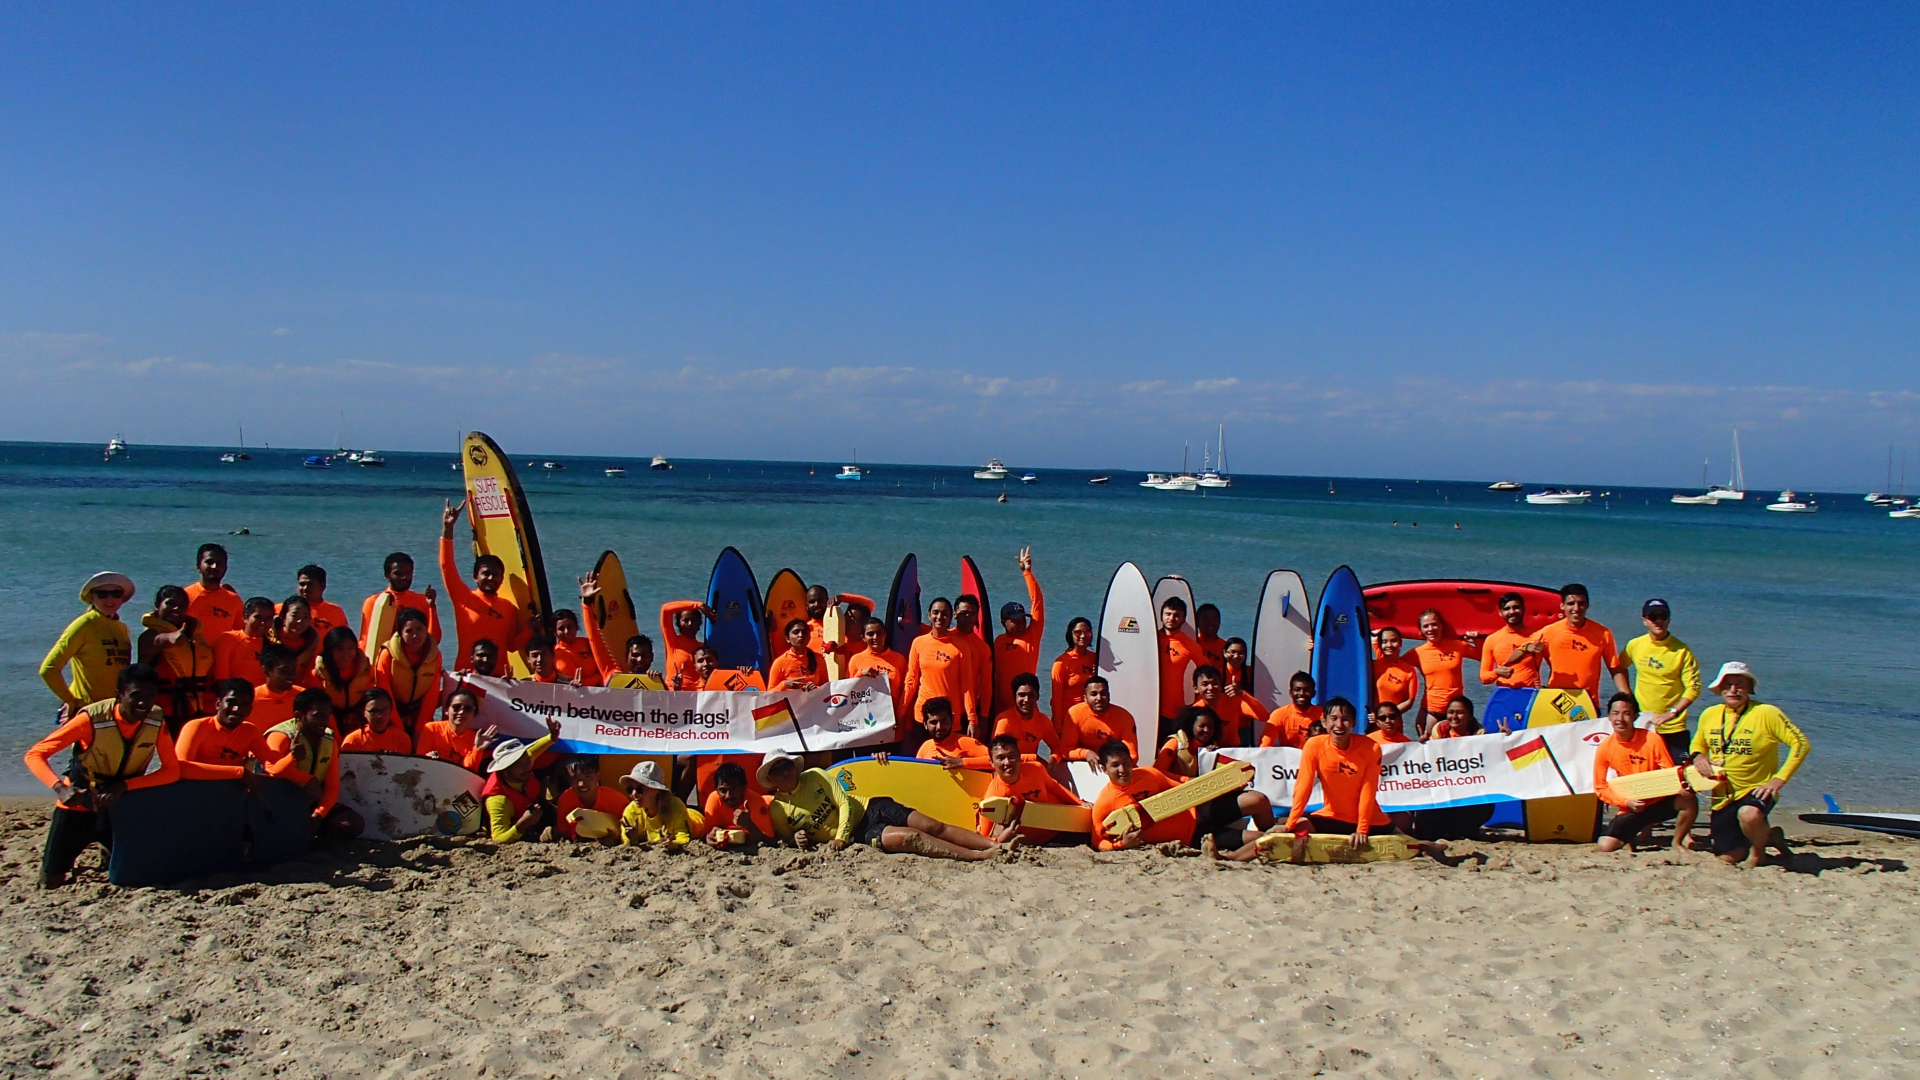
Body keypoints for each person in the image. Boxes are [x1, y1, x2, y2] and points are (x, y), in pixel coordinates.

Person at [24, 665, 180, 888]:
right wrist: (60, 788)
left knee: (135, 876)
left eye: (150, 695)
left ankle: (109, 852)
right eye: (136, 696)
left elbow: (171, 772)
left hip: (121, 805)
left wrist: (124, 787)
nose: (143, 703)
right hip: (80, 801)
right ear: (120, 695)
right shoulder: (91, 719)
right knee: (51, 880)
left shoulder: (155, 719)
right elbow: (35, 754)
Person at [759, 750, 1003, 860]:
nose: (785, 772)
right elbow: (787, 839)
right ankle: (975, 857)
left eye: (787, 765)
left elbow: (843, 802)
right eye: (777, 770)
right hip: (860, 835)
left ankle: (994, 845)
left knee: (933, 826)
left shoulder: (814, 775)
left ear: (795, 765)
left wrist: (840, 838)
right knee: (911, 839)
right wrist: (797, 841)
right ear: (771, 779)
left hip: (870, 808)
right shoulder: (778, 809)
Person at [1691, 662, 1810, 868]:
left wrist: (1778, 779)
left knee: (1749, 814)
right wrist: (1699, 757)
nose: (1734, 690)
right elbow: (1697, 744)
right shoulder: (1709, 714)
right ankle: (1771, 836)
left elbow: (1801, 744)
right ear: (1719, 688)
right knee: (1726, 859)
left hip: (1757, 790)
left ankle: (1758, 854)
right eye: (1728, 685)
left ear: (1749, 688)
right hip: (1723, 797)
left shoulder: (1767, 713)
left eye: (1740, 684)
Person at [1281, 697, 1393, 857]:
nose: (1339, 725)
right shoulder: (1314, 745)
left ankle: (1433, 845)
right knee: (1292, 829)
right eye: (1333, 719)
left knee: (1410, 840)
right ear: (1323, 721)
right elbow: (1303, 787)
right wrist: (1290, 824)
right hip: (1332, 817)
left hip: (1372, 822)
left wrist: (1361, 829)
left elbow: (1368, 791)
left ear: (1354, 722)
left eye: (1345, 720)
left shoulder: (1370, 747)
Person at [1593, 692, 1697, 853]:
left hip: (1657, 800)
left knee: (1688, 799)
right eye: (1615, 713)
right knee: (1605, 846)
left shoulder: (1652, 739)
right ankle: (1630, 838)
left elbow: (1668, 773)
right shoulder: (1605, 748)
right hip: (1632, 805)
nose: (1620, 718)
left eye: (1627, 714)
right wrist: (1626, 802)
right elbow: (1600, 787)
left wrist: (1673, 789)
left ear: (1635, 717)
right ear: (1609, 717)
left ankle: (1677, 842)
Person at [263, 687, 363, 843]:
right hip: (279, 803)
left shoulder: (328, 739)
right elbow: (271, 770)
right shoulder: (280, 736)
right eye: (318, 716)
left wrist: (318, 815)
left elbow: (332, 787)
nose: (325, 722)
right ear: (299, 715)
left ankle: (312, 838)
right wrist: (295, 762)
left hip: (309, 803)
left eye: (328, 716)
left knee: (353, 824)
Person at [440, 499, 530, 666]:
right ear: (475, 576)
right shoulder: (463, 598)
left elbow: (510, 646)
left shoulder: (508, 608)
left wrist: (529, 630)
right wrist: (448, 529)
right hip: (467, 676)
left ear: (502, 578)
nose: (491, 578)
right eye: (485, 574)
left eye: (495, 575)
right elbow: (447, 567)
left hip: (497, 681)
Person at [40, 572, 136, 720]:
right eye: (102, 594)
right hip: (86, 711)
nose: (110, 599)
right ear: (92, 597)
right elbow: (49, 669)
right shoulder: (84, 625)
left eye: (116, 593)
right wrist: (70, 700)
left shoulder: (121, 628)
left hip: (114, 711)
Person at [1517, 584, 1629, 710]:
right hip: (1556, 702)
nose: (1576, 608)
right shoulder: (1548, 632)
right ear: (1562, 606)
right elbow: (1521, 658)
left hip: (1587, 703)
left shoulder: (1603, 634)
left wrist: (1627, 697)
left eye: (1581, 603)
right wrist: (1527, 650)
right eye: (1571, 603)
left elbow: (1615, 669)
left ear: (1587, 605)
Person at [1621, 598, 1702, 765]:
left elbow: (1693, 688)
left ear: (1669, 619)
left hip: (1674, 728)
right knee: (1644, 777)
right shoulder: (1635, 645)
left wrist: (1673, 712)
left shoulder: (1682, 651)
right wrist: (1627, 696)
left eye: (1663, 616)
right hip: (1642, 724)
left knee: (1681, 780)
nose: (1658, 621)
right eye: (1653, 617)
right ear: (1644, 620)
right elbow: (1619, 667)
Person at [979, 734, 1085, 846]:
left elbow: (1055, 786)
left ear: (1020, 757)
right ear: (991, 763)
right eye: (1001, 758)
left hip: (1063, 826)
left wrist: (1080, 803)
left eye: (1012, 756)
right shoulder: (994, 796)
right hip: (1036, 841)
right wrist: (1000, 839)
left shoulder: (1036, 769)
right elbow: (983, 837)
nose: (1007, 762)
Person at [136, 584, 216, 733]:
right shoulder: (148, 637)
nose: (176, 609)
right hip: (166, 713)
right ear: (157, 605)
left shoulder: (195, 636)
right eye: (170, 604)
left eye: (181, 606)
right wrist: (176, 636)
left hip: (198, 707)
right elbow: (165, 640)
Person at [900, 597, 976, 746]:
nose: (939, 617)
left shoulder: (960, 646)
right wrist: (900, 713)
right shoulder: (919, 643)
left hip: (950, 717)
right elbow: (911, 680)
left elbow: (967, 686)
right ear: (929, 615)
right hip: (924, 716)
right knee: (925, 759)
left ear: (951, 617)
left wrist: (972, 719)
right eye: (935, 612)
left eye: (944, 613)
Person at [175, 678, 279, 783]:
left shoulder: (250, 731)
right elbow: (181, 768)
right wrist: (238, 773)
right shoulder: (197, 727)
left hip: (228, 791)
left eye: (243, 704)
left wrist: (293, 757)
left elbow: (273, 767)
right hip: (195, 789)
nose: (236, 709)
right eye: (231, 702)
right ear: (218, 704)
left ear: (250, 709)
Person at [576, 574, 665, 688]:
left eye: (644, 656)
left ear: (652, 657)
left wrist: (662, 684)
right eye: (635, 655)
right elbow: (595, 641)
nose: (639, 660)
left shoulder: (657, 682)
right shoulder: (613, 676)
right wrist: (587, 603)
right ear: (626, 655)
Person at [480, 720, 560, 844]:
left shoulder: (525, 762)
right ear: (505, 769)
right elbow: (498, 839)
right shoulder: (498, 800)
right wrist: (524, 823)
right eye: (519, 765)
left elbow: (534, 749)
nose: (527, 766)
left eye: (528, 760)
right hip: (518, 822)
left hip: (533, 806)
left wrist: (552, 737)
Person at [989, 548, 1046, 716]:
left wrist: (1027, 573)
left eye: (1023, 619)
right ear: (1003, 622)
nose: (1021, 624)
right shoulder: (998, 642)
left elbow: (1038, 603)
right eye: (1015, 621)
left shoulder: (1031, 636)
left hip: (1026, 707)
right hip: (1000, 710)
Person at [373, 608, 444, 734]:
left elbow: (432, 696)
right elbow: (384, 693)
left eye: (420, 629)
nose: (415, 635)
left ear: (426, 629)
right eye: (409, 631)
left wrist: (421, 727)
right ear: (400, 633)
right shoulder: (388, 654)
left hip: (418, 714)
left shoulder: (434, 656)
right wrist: (398, 726)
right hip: (390, 715)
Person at [1411, 610, 1482, 733]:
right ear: (1421, 630)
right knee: (1428, 747)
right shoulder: (1417, 653)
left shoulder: (1457, 645)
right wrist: (1375, 643)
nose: (1431, 629)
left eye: (1434, 624)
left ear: (1442, 626)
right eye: (1426, 626)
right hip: (1432, 709)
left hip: (1456, 711)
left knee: (1471, 742)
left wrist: (1477, 641)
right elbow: (1393, 664)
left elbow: (1482, 656)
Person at [358, 552, 441, 652]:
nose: (404, 577)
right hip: (386, 660)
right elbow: (366, 641)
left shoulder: (422, 600)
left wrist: (432, 607)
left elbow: (434, 639)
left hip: (414, 662)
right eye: (398, 573)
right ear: (387, 575)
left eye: (408, 573)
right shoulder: (375, 603)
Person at [619, 760, 703, 849]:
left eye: (640, 789)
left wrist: (673, 844)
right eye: (630, 789)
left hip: (697, 821)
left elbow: (685, 837)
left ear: (656, 789)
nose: (634, 794)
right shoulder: (631, 810)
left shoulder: (675, 806)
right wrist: (632, 840)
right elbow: (626, 842)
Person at [1155, 595, 1205, 741]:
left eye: (1177, 615)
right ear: (1161, 616)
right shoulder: (1152, 638)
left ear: (1183, 619)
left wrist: (1199, 700)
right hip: (1149, 704)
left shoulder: (1189, 644)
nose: (1171, 618)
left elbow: (1207, 672)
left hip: (1173, 709)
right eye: (1168, 614)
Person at [415, 684, 493, 771]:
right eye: (456, 707)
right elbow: (419, 762)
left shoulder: (475, 739)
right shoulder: (431, 729)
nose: (461, 712)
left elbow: (470, 771)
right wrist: (428, 759)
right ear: (446, 710)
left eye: (468, 709)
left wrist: (477, 749)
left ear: (474, 714)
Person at [1063, 675, 1138, 763]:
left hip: (1114, 764)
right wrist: (1086, 753)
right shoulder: (1074, 714)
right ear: (1085, 698)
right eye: (1093, 694)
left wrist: (1115, 766)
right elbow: (1065, 751)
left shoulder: (1124, 717)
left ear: (1109, 696)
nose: (1099, 698)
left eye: (1103, 694)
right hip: (1083, 763)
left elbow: (1133, 755)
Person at [313, 626, 374, 731]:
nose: (346, 653)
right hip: (328, 723)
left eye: (351, 648)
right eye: (340, 649)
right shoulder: (318, 674)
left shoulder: (365, 668)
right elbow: (320, 708)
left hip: (357, 719)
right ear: (330, 651)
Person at [950, 594, 995, 737]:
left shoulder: (982, 647)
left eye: (972, 614)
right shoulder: (945, 638)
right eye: (963, 613)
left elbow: (986, 685)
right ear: (955, 614)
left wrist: (983, 717)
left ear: (977, 616)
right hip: (943, 708)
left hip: (967, 711)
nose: (968, 617)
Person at [701, 761, 775, 848]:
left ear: (744, 788)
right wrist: (709, 836)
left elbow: (771, 840)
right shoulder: (714, 799)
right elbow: (705, 835)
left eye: (734, 789)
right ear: (716, 789)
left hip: (769, 803)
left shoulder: (756, 801)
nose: (728, 796)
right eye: (723, 791)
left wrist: (749, 825)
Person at [555, 756, 630, 841]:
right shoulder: (565, 800)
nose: (581, 784)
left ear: (598, 776)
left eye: (588, 777)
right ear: (568, 780)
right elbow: (564, 832)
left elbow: (630, 830)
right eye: (575, 779)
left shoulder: (617, 800)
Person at [1191, 665, 1266, 747]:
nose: (1211, 688)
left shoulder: (1233, 700)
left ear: (1220, 686)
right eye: (1205, 684)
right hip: (1209, 752)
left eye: (1215, 683)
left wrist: (1243, 694)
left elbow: (1264, 716)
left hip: (1234, 751)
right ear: (1196, 688)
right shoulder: (1195, 711)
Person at [1479, 591, 1542, 689]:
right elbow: (1484, 678)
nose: (1512, 612)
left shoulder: (1537, 635)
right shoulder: (1492, 639)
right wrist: (1497, 672)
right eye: (1507, 609)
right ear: (1500, 613)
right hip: (1505, 693)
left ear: (1523, 609)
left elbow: (1556, 663)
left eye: (1516, 607)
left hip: (1531, 693)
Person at [845, 617, 907, 714]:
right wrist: (861, 674)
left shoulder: (899, 659)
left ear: (885, 635)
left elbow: (905, 691)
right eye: (870, 634)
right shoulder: (856, 660)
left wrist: (900, 715)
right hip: (864, 715)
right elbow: (848, 690)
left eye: (879, 633)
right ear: (863, 637)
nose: (875, 637)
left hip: (892, 716)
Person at [991, 672, 1059, 759]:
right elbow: (1000, 754)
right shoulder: (1004, 720)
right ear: (1014, 697)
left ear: (1037, 697)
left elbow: (1057, 748)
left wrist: (1054, 758)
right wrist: (1035, 758)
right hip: (1008, 768)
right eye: (1022, 695)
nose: (1026, 700)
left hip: (1030, 766)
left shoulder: (1043, 720)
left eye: (1031, 695)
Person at [211, 596, 276, 686]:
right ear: (245, 617)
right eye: (258, 617)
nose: (263, 622)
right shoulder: (228, 639)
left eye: (268, 619)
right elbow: (221, 679)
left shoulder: (274, 647)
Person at [1048, 617, 1099, 727]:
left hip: (1090, 717)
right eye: (1078, 632)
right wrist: (1057, 726)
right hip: (1069, 719)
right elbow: (1056, 700)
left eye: (1087, 632)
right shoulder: (1061, 663)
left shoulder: (1096, 659)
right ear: (1070, 634)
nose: (1083, 636)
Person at [913, 697, 989, 769]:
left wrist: (962, 762)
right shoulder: (925, 747)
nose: (939, 727)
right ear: (925, 725)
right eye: (934, 722)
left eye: (944, 721)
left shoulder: (965, 742)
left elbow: (996, 760)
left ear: (952, 720)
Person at [183, 544, 243, 634]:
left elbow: (241, 634)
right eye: (209, 562)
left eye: (219, 563)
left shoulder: (234, 601)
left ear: (226, 568)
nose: (214, 566)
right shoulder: (184, 597)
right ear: (198, 566)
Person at [1257, 672, 1324, 749]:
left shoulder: (1323, 715)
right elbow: (1265, 746)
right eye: (1297, 689)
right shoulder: (1279, 714)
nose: (1302, 693)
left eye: (1306, 690)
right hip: (1288, 759)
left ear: (1313, 693)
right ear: (1290, 692)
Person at [657, 599, 711, 690]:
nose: (690, 624)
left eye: (694, 621)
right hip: (671, 693)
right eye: (685, 620)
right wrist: (697, 605)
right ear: (678, 624)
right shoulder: (672, 642)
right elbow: (665, 609)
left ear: (699, 625)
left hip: (694, 696)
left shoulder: (703, 650)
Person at [339, 689, 412, 753]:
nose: (380, 716)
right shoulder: (353, 741)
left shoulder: (402, 739)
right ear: (363, 712)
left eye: (384, 710)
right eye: (373, 711)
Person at [250, 643, 304, 730]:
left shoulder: (304, 697)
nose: (291, 675)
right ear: (266, 671)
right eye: (284, 670)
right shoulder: (251, 700)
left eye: (293, 669)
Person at [271, 595, 321, 687]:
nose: (300, 621)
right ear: (283, 616)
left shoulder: (311, 642)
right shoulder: (268, 636)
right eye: (295, 615)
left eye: (305, 617)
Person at [294, 564, 352, 641]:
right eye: (302, 584)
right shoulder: (284, 609)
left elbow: (346, 640)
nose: (305, 588)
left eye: (310, 584)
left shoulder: (336, 612)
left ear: (323, 586)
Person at [1373, 627, 1420, 721]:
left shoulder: (1409, 670)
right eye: (1384, 641)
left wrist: (1387, 715)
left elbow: (1409, 701)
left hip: (1393, 722)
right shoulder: (1372, 665)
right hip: (1371, 720)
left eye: (1393, 641)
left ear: (1400, 643)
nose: (1389, 645)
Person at [767, 618, 828, 691]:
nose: (801, 635)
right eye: (796, 632)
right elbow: (769, 695)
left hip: (813, 701)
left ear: (809, 637)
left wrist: (816, 689)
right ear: (787, 639)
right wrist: (784, 685)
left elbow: (826, 688)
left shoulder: (818, 658)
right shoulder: (780, 663)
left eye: (804, 632)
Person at [550, 609, 602, 686]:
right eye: (561, 628)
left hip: (600, 688)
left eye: (570, 626)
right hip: (574, 693)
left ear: (576, 627)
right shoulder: (555, 654)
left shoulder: (586, 643)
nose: (566, 631)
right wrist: (599, 677)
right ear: (554, 632)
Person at [693, 644, 767, 691]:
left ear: (717, 662)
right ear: (695, 666)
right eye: (700, 661)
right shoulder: (690, 690)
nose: (705, 664)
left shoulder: (733, 683)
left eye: (709, 660)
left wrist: (747, 676)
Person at [1190, 603, 1228, 676]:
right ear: (1197, 622)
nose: (1210, 623)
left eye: (1214, 619)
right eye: (1205, 619)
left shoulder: (1226, 647)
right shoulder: (1192, 644)